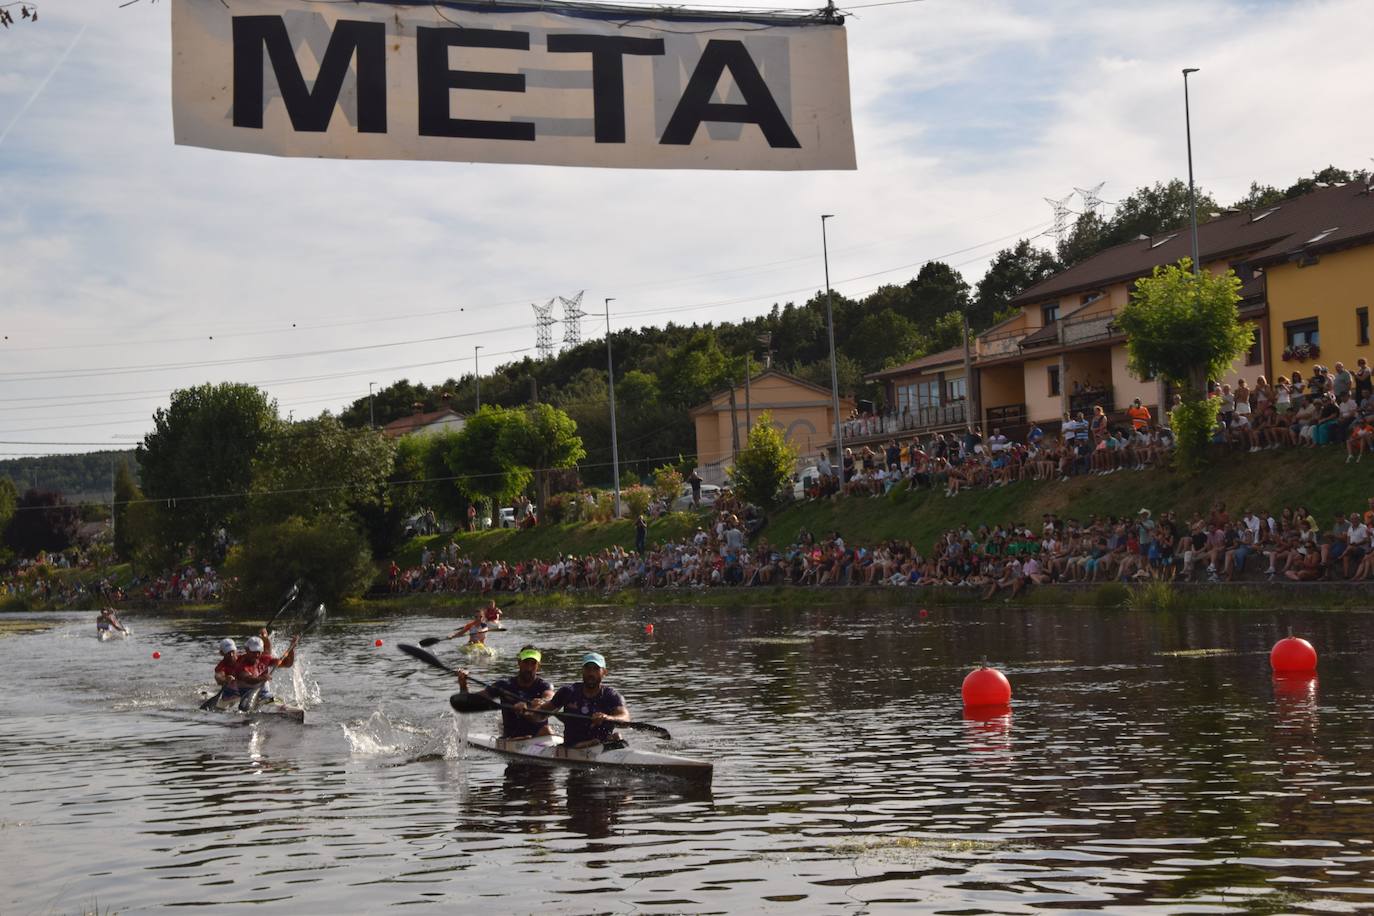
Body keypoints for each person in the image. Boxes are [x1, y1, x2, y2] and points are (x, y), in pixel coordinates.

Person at [536, 652, 630, 749]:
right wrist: (529, 709)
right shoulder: (568, 692)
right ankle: (589, 744)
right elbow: (540, 714)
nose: (591, 673)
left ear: (604, 672)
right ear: (582, 670)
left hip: (601, 745)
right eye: (588, 668)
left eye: (596, 669)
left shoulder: (611, 696)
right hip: (572, 748)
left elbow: (625, 719)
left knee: (618, 737)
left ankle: (601, 743)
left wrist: (607, 717)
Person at [457, 646, 555, 739]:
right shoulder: (504, 686)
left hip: (540, 736)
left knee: (547, 730)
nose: (529, 668)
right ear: (519, 662)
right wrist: (463, 685)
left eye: (533, 663)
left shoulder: (545, 686)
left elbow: (550, 699)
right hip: (511, 738)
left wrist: (541, 703)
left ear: (538, 666)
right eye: (526, 662)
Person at [226, 630, 299, 710]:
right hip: (247, 697)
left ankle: (283, 708)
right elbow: (248, 679)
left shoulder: (265, 659)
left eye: (259, 652)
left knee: (281, 701)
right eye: (253, 652)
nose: (256, 655)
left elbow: (287, 664)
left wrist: (292, 648)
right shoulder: (240, 664)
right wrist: (263, 678)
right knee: (277, 705)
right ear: (247, 650)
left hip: (265, 695)